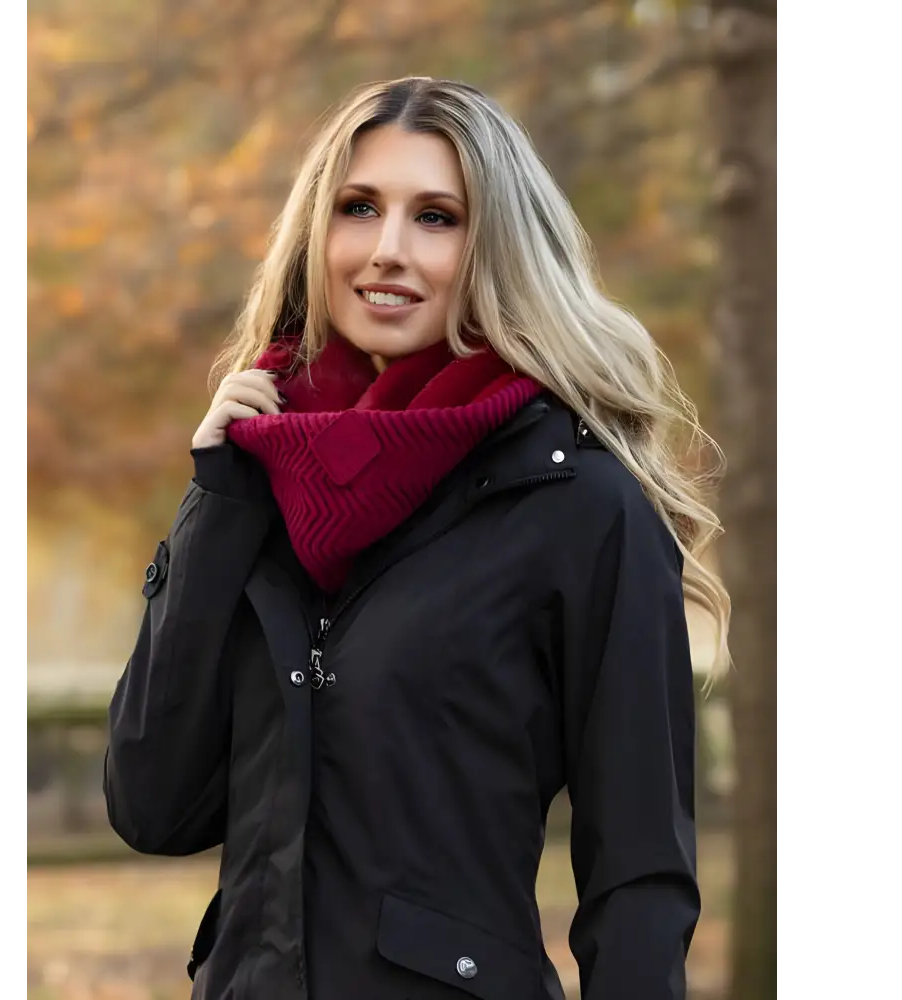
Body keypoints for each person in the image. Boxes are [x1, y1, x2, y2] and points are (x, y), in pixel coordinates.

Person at [104, 76, 730, 1000]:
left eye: (437, 217)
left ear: (497, 249)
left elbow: (640, 877)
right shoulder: (257, 487)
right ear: (317, 234)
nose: (388, 250)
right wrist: (218, 504)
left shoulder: (581, 503)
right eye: (359, 208)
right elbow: (152, 807)